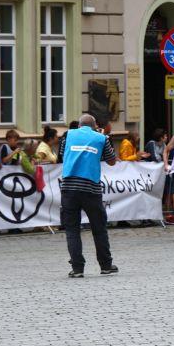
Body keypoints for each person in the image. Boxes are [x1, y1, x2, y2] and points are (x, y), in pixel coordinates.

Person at [58, 113, 118, 278]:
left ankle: (77, 268)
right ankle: (106, 265)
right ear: (95, 126)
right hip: (91, 188)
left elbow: (62, 155)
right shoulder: (101, 138)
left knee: (72, 229)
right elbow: (112, 161)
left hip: (69, 187)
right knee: (99, 228)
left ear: (79, 125)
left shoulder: (67, 135)